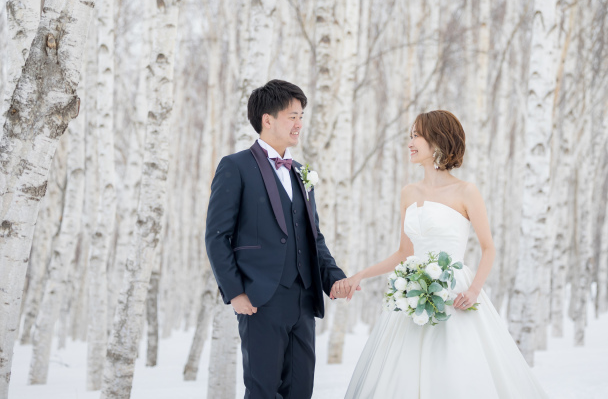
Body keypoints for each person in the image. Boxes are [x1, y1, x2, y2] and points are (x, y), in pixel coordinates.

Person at [336, 110, 549, 398]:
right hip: (412, 295)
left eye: (417, 136)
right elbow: (403, 252)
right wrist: (362, 274)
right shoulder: (408, 193)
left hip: (455, 293)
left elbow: (488, 248)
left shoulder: (466, 191)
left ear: (438, 140)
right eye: (410, 136)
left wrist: (473, 291)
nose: (410, 142)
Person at [204, 79, 348, 399]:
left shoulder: (301, 172)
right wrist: (235, 292)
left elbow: (314, 237)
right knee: (263, 391)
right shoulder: (235, 166)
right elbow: (217, 236)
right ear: (267, 120)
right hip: (260, 301)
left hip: (304, 300)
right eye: (292, 116)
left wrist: (333, 278)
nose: (299, 124)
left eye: (301, 116)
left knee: (300, 391)